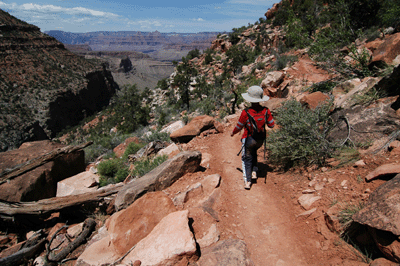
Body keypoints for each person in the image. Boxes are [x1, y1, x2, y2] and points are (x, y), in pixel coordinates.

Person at [230, 85, 275, 190]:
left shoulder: (246, 112)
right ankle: (254, 172)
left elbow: (239, 126)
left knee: (246, 158)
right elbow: (271, 125)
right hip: (260, 139)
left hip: (249, 138)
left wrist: (233, 133)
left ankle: (248, 181)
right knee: (254, 152)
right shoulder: (266, 110)